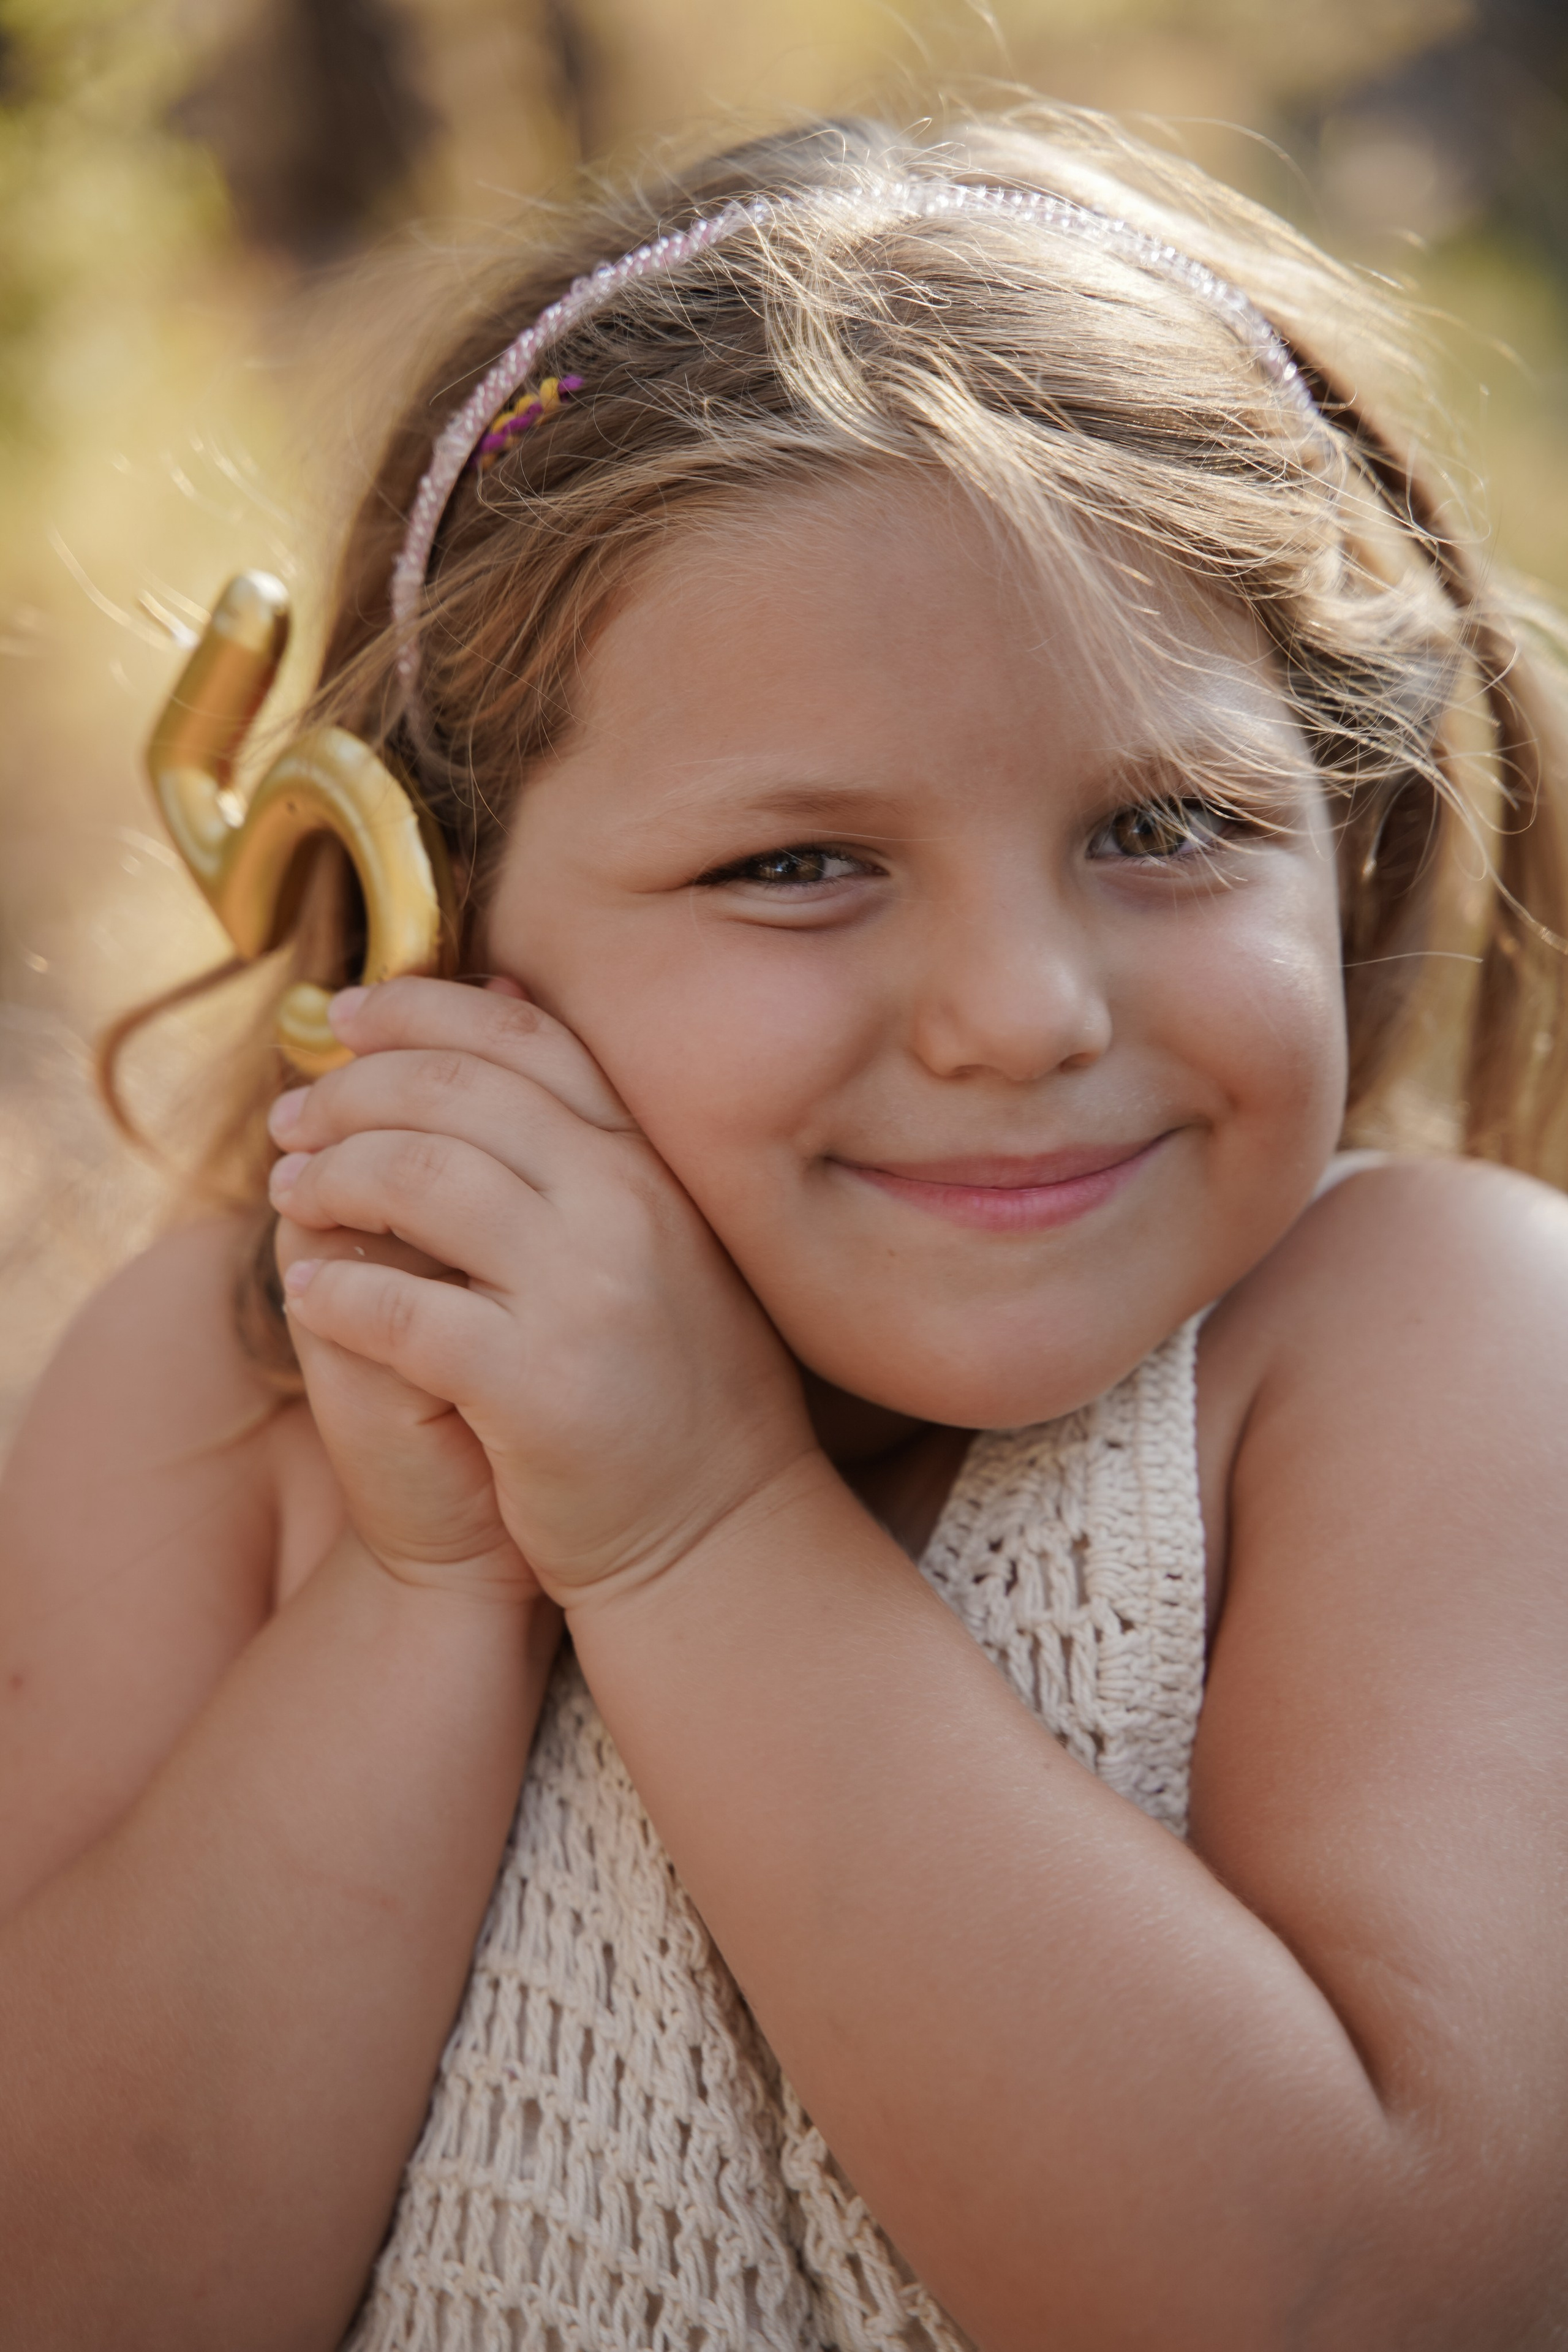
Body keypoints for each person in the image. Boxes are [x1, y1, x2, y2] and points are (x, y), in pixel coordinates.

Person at [3, 103, 1568, 2352]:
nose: (1025, 1013)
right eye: (796, 865)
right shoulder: (221, 1393)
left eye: (1165, 821)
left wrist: (693, 1533)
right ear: (437, 918)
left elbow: (1362, 2299)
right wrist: (433, 1579)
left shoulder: (1429, 1346)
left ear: (1346, 831)